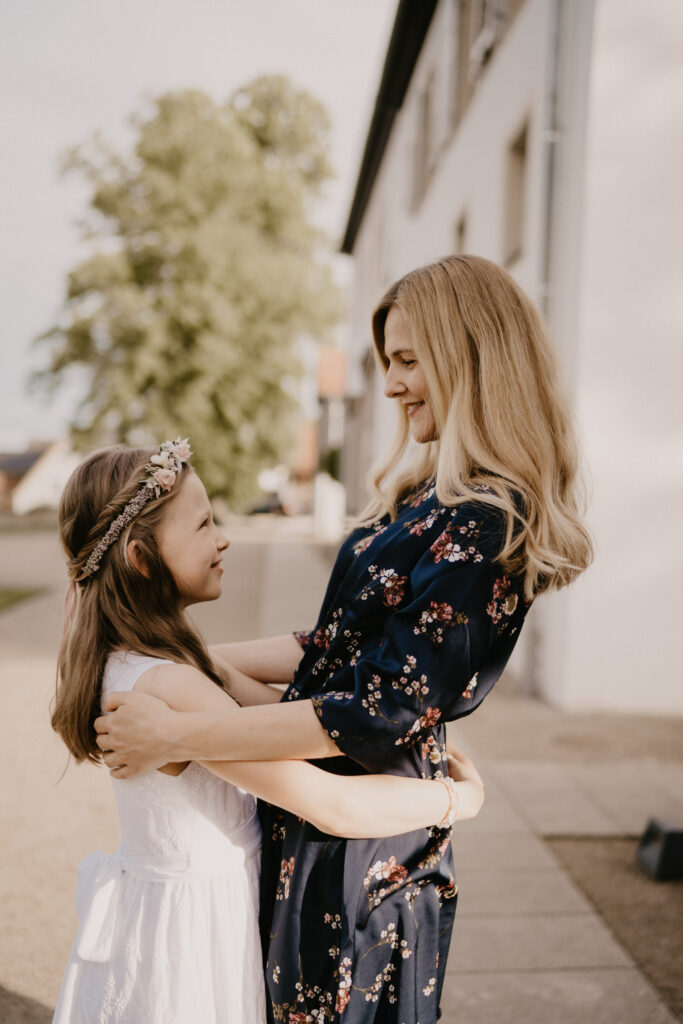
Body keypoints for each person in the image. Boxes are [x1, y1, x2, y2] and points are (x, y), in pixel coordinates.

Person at [96, 255, 593, 1023]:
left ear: (467, 355)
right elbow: (331, 645)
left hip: (371, 838)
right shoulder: (426, 497)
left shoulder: (485, 524)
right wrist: (189, 660)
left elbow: (372, 708)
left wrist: (181, 731)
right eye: (384, 363)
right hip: (314, 816)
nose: (390, 386)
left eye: (405, 361)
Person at [51, 438, 484, 1024]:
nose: (222, 537)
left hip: (157, 915)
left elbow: (284, 701)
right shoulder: (171, 689)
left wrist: (211, 664)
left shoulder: (130, 664)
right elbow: (330, 804)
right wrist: (457, 798)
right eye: (203, 524)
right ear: (141, 558)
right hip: (195, 941)